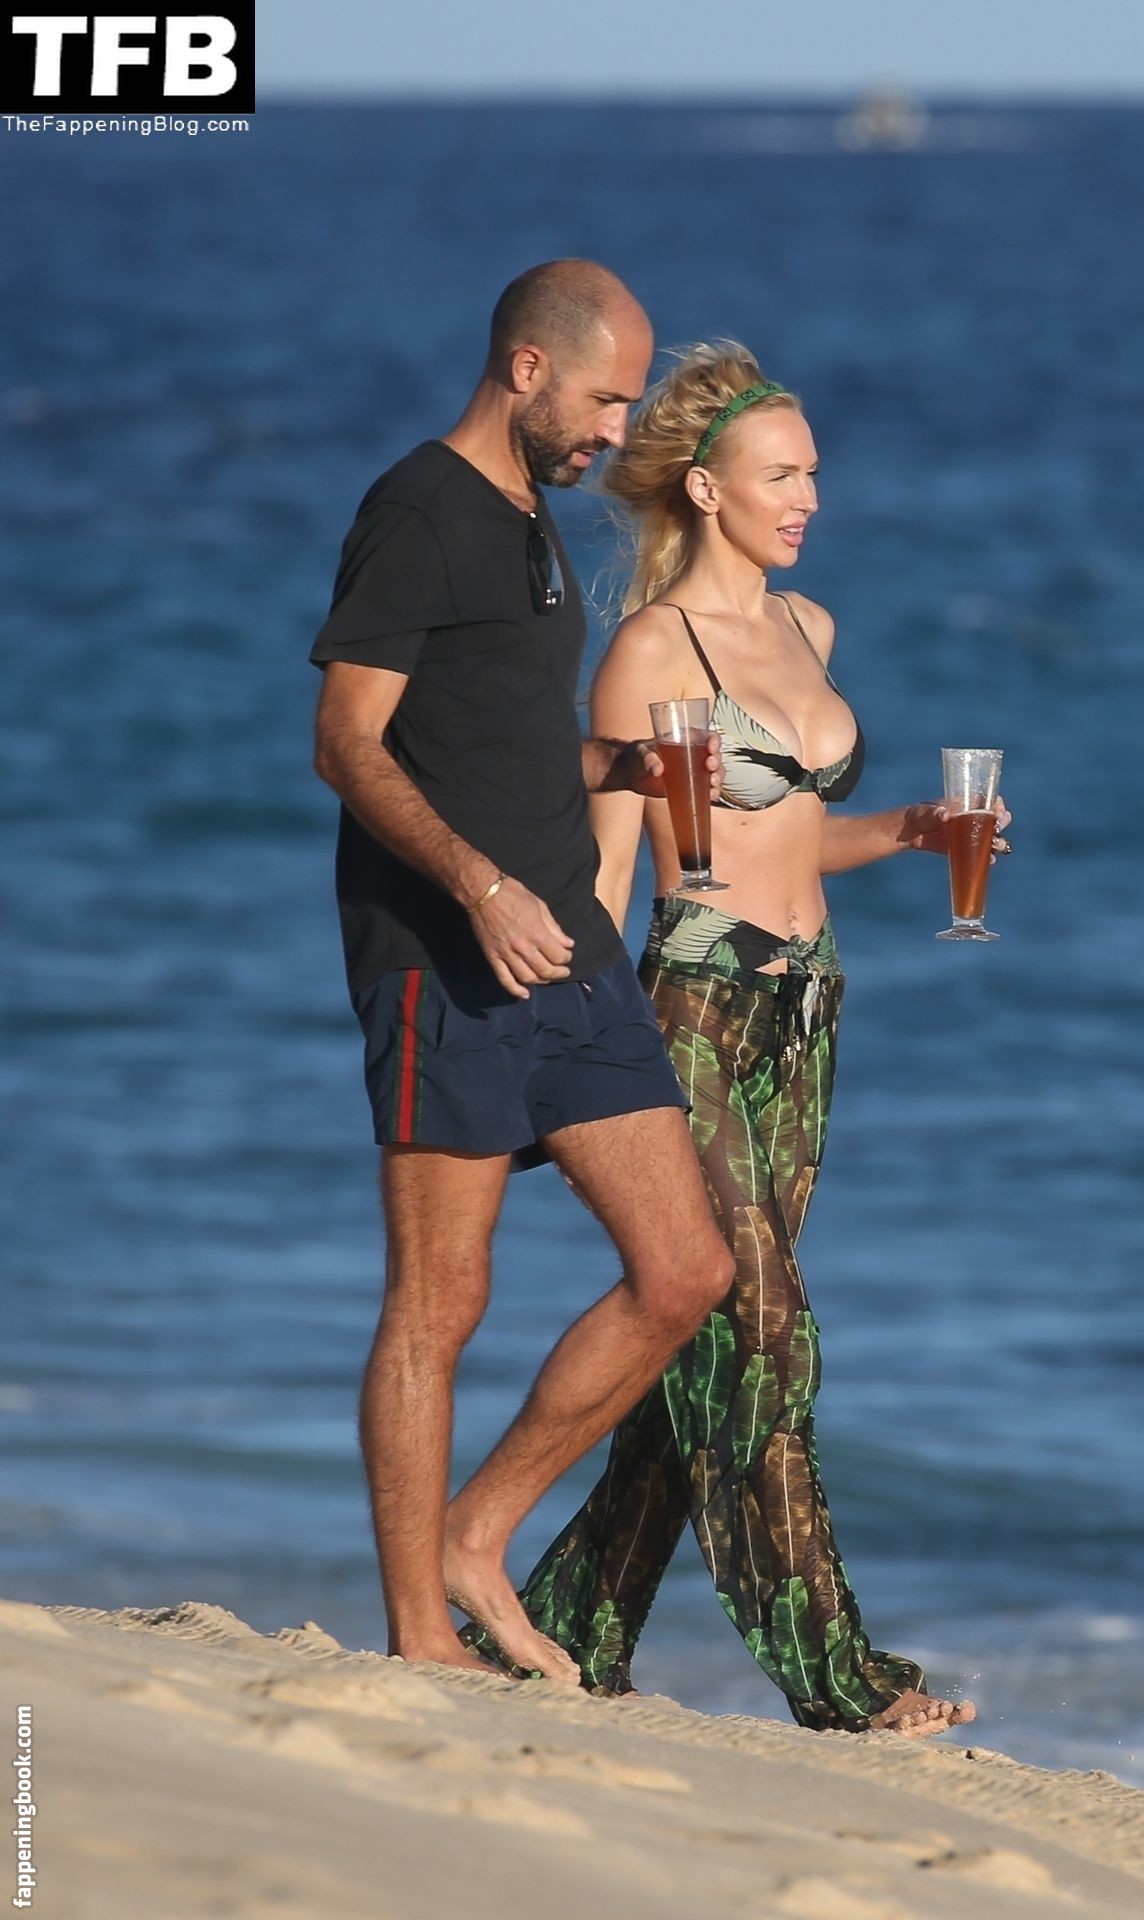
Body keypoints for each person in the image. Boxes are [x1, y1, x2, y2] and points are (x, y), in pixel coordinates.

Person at [466, 343, 1008, 1734]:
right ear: (707, 489)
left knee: (704, 1347)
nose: (808, 497)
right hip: (691, 1006)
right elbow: (609, 868)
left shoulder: (809, 626)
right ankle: (838, 1677)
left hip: (809, 1007)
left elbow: (795, 837)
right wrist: (561, 1046)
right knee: (768, 1329)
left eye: (814, 473)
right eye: (783, 475)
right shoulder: (653, 652)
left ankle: (570, 1630)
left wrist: (915, 830)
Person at [309, 263, 734, 1683]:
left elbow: (495, 732)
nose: (617, 430)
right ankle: (417, 1635)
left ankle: (476, 1533)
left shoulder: (531, 516)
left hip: (572, 951)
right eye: (606, 399)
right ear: (528, 368)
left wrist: (619, 765)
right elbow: (347, 742)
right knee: (440, 1302)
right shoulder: (418, 509)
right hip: (446, 952)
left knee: (685, 1270)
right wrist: (478, 887)